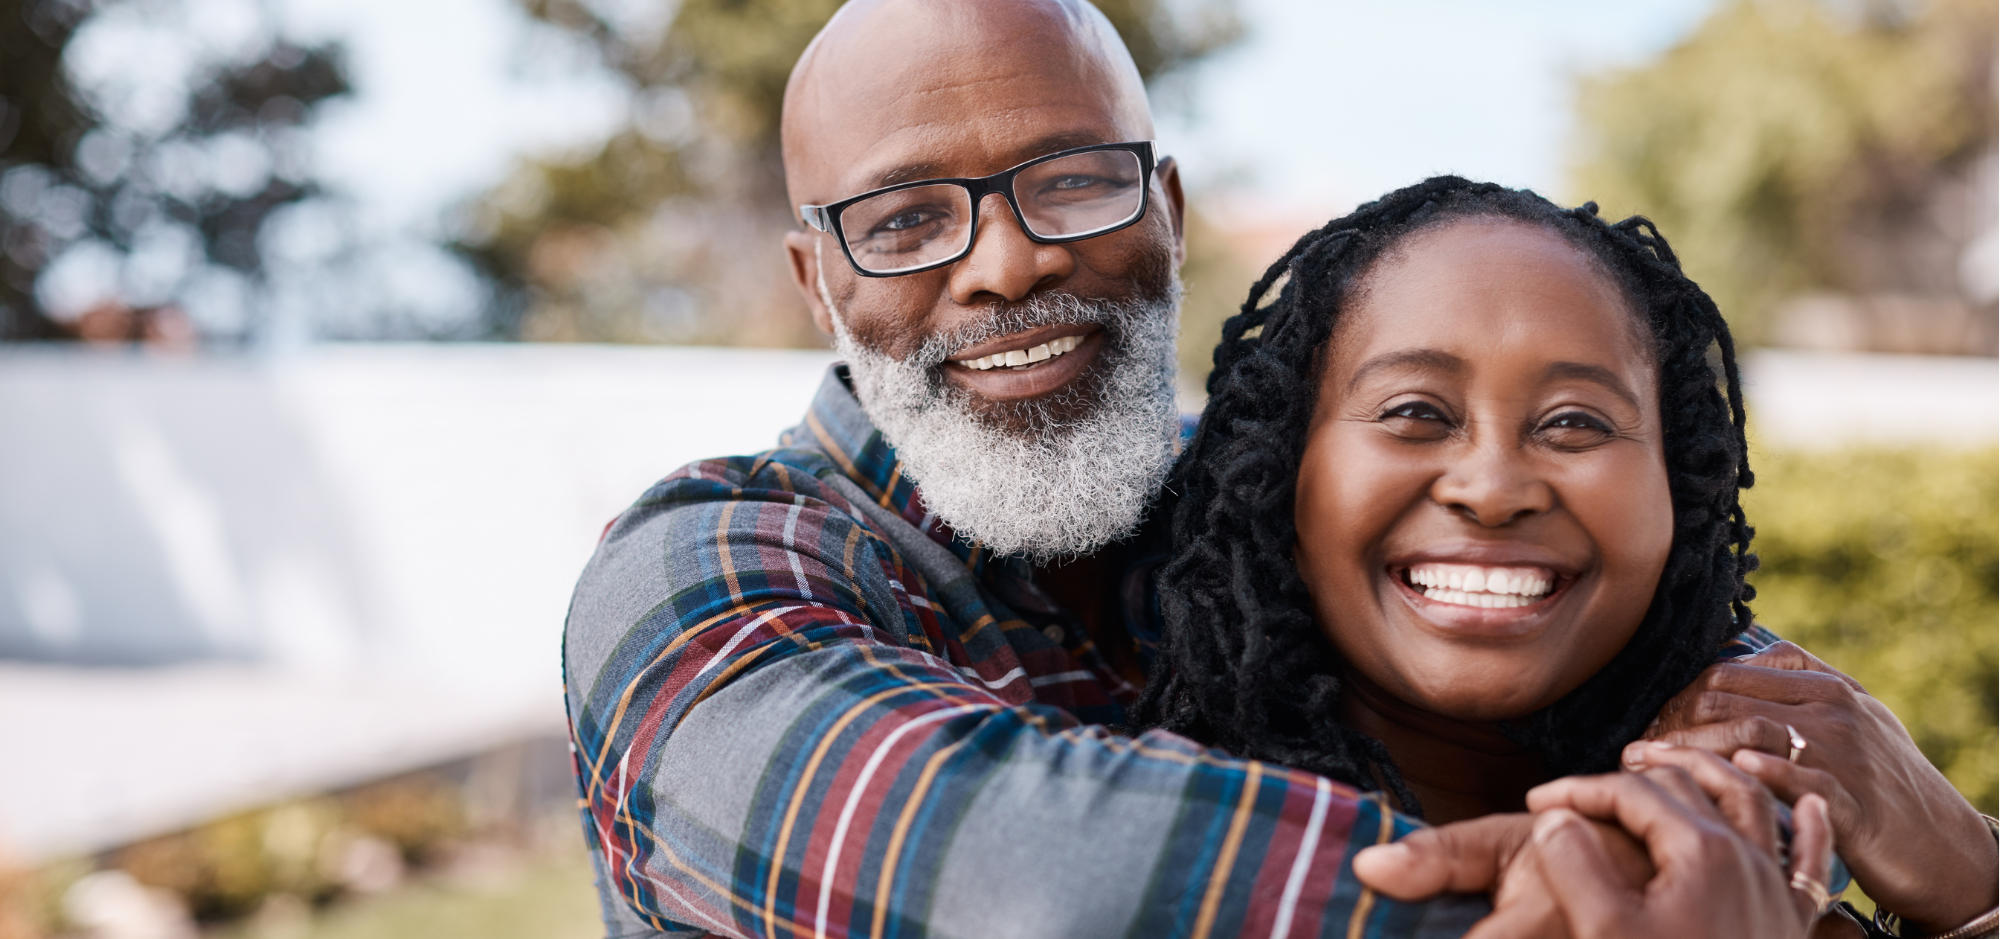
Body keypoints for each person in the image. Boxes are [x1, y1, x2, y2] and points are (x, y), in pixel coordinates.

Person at [1135, 176, 1998, 937]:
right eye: (1415, 411)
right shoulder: (1130, 848)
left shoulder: (1770, 863)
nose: (1494, 486)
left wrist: (1968, 882)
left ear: (1683, 495)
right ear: (1280, 470)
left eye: (1574, 422)